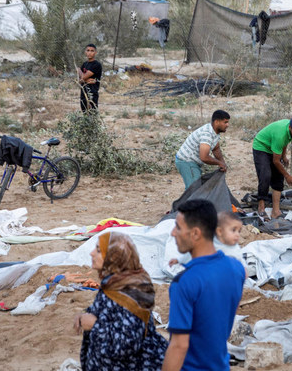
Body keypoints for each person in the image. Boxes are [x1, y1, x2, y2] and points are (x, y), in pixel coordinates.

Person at [162, 199, 246, 371]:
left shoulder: (184, 282)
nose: (172, 233)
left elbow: (179, 345)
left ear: (195, 234)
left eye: (178, 227)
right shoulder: (236, 269)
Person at [74, 232, 167, 371]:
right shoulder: (113, 284)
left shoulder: (132, 291)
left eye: (99, 250)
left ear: (114, 257)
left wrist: (94, 324)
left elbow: (127, 344)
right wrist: (85, 316)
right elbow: (110, 316)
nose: (92, 253)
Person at [252, 117, 292, 219]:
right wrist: (287, 176)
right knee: (265, 175)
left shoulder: (290, 132)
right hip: (261, 147)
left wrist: (284, 156)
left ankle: (276, 211)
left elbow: (285, 142)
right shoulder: (280, 135)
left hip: (274, 146)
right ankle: (261, 206)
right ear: (290, 128)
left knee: (278, 178)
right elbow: (275, 161)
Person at [175, 110, 230, 189]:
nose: (227, 125)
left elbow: (216, 149)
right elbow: (204, 157)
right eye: (225, 122)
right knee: (193, 189)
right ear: (217, 122)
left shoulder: (214, 132)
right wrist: (219, 163)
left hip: (192, 162)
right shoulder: (206, 134)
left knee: (195, 189)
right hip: (187, 161)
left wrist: (222, 163)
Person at [77, 43, 103, 112]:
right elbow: (80, 80)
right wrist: (86, 79)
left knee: (92, 113)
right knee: (84, 112)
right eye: (88, 50)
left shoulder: (96, 64)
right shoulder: (85, 64)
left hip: (92, 93)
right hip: (83, 92)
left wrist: (79, 71)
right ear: (85, 52)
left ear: (95, 52)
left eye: (92, 51)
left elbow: (82, 76)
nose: (89, 53)